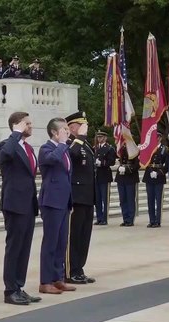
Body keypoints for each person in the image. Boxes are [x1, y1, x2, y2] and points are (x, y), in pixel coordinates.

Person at [0, 112, 45, 303]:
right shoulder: (7, 145)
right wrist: (15, 134)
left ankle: (19, 285)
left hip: (28, 203)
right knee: (14, 247)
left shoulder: (27, 147)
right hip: (14, 204)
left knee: (24, 248)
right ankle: (10, 290)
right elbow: (5, 155)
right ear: (17, 125)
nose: (31, 126)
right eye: (27, 123)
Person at [38, 118, 77, 295]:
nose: (67, 132)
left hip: (64, 201)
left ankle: (57, 278)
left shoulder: (65, 149)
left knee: (62, 242)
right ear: (54, 132)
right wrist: (62, 144)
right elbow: (52, 160)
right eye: (63, 129)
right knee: (50, 242)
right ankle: (45, 281)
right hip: (51, 201)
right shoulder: (46, 148)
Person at [64, 111, 96, 285]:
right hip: (75, 197)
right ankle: (69, 270)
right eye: (81, 125)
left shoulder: (85, 144)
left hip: (87, 197)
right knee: (73, 236)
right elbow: (70, 156)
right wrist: (80, 137)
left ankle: (79, 268)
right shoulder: (70, 143)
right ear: (72, 127)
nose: (85, 128)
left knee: (84, 236)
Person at [143, 131, 168, 228]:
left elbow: (167, 164)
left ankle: (157, 220)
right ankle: (151, 220)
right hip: (149, 175)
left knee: (158, 200)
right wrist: (150, 171)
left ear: (160, 138)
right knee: (150, 200)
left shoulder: (165, 149)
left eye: (157, 137)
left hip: (159, 177)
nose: (155, 139)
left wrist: (158, 173)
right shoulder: (149, 149)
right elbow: (145, 161)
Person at [94, 131, 116, 225]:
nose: (99, 139)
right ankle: (99, 217)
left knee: (105, 198)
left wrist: (102, 163)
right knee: (97, 199)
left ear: (105, 138)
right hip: (96, 176)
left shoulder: (109, 148)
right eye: (98, 137)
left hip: (105, 175)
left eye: (101, 137)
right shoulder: (95, 148)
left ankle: (105, 218)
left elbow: (112, 162)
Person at [115, 143, 140, 226]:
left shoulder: (135, 150)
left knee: (130, 199)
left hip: (130, 177)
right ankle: (125, 218)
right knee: (122, 199)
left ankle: (130, 219)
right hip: (121, 177)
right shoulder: (121, 149)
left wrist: (127, 169)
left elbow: (137, 165)